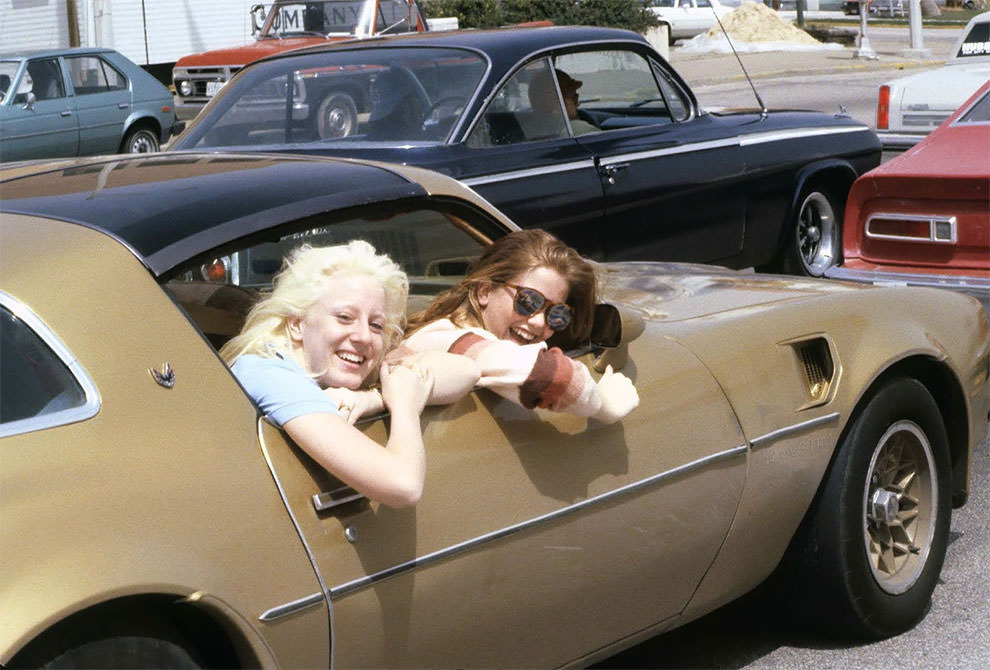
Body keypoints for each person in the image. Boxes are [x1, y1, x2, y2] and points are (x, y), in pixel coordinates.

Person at [221, 240, 476, 508]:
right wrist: (404, 408)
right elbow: (403, 485)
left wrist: (374, 399)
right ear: (296, 324)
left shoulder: (321, 363)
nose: (364, 336)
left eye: (376, 324)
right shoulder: (269, 373)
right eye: (344, 317)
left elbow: (467, 370)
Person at [400, 230, 638, 424]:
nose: (539, 322)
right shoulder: (445, 339)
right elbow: (542, 373)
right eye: (528, 301)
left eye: (557, 315)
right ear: (485, 290)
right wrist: (604, 405)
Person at [528, 67, 598, 136]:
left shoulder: (528, 129)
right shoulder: (579, 130)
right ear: (559, 104)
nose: (578, 104)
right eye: (574, 98)